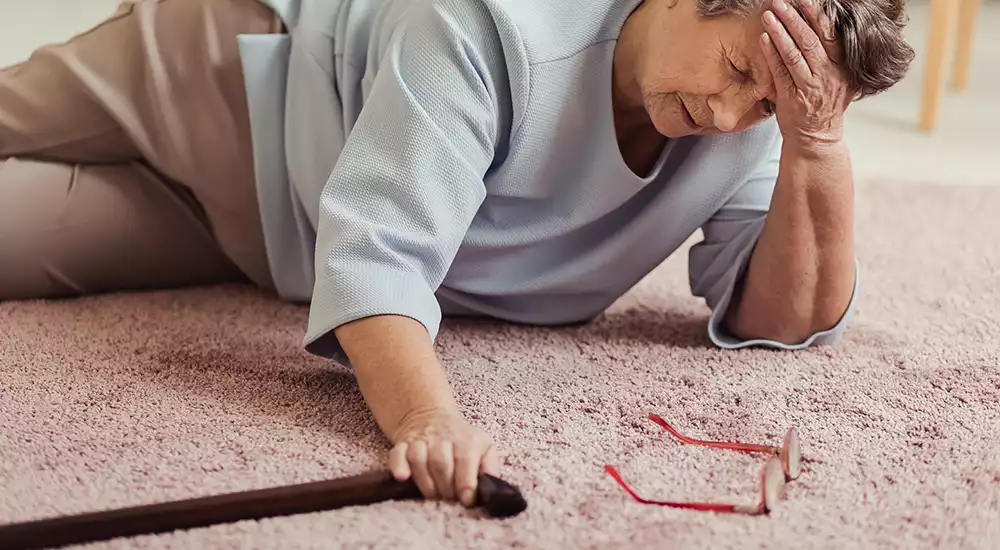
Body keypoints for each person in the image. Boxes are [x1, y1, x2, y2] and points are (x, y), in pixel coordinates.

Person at [0, 0, 912, 508]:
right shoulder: (485, 25)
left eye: (770, 102)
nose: (728, 112)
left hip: (270, 236)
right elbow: (379, 256)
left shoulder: (757, 130)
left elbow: (782, 316)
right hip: (230, 79)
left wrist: (816, 143)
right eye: (739, 69)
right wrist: (426, 419)